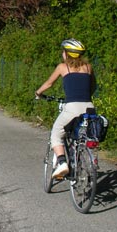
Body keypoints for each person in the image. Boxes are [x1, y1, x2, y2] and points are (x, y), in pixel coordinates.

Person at [35, 39, 96, 179]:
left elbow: (49, 84)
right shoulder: (88, 67)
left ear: (67, 54)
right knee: (81, 136)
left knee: (56, 134)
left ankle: (62, 163)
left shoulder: (63, 67)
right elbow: (93, 86)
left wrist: (38, 92)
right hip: (89, 107)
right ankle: (80, 157)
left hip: (72, 108)